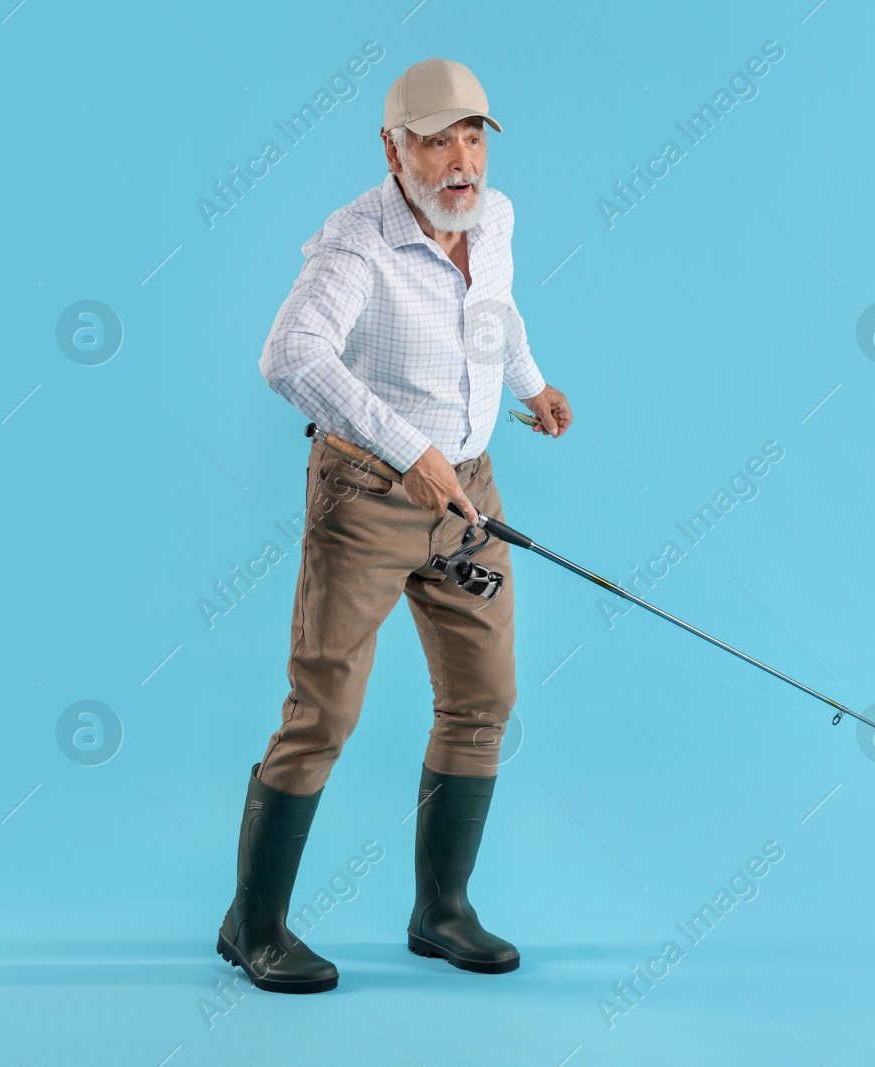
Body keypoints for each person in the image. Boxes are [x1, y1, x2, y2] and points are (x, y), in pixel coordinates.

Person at [216, 56, 573, 994]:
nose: (460, 159)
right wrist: (406, 447)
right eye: (435, 138)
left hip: (469, 500)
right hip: (367, 498)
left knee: (483, 697)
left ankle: (441, 910)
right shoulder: (355, 246)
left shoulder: (490, 219)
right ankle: (253, 925)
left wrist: (530, 387)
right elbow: (287, 354)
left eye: (472, 137)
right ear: (393, 147)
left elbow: (492, 310)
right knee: (324, 709)